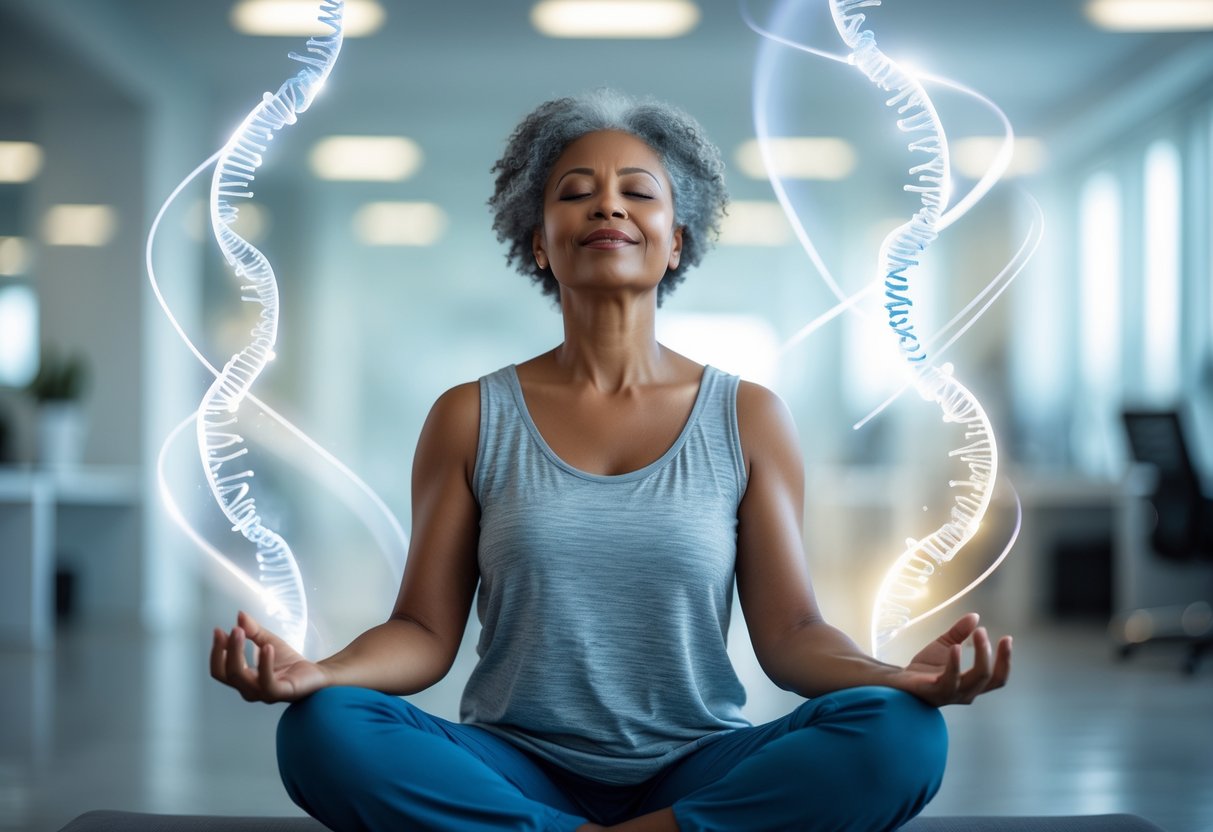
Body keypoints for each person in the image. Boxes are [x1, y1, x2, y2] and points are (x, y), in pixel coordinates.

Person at [210, 89, 1012, 832]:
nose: (607, 204)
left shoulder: (747, 416)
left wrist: (894, 677)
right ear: (538, 241)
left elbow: (792, 632)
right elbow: (422, 630)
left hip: (696, 765)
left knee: (902, 735)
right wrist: (318, 674)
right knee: (323, 731)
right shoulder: (468, 415)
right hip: (514, 767)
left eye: (637, 190)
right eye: (574, 192)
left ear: (675, 241)